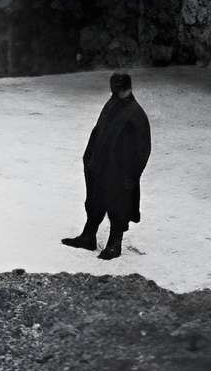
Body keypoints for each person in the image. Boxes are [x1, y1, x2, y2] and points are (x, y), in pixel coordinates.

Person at [63, 71, 151, 260]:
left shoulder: (136, 114)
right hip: (100, 166)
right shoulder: (112, 104)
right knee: (95, 202)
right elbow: (98, 130)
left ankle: (114, 244)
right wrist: (88, 157)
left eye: (118, 89)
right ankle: (88, 237)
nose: (115, 92)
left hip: (120, 171)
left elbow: (143, 149)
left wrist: (131, 176)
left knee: (118, 207)